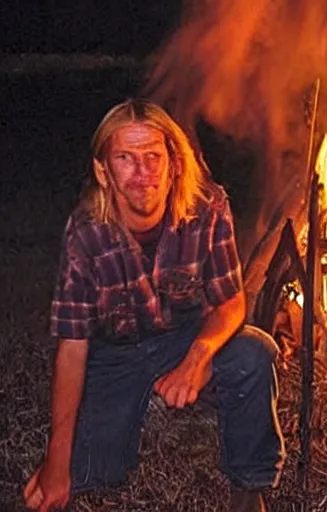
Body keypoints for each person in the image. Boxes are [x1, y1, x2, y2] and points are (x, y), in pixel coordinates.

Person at [23, 99, 285, 512]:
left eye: (153, 157)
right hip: (116, 351)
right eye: (125, 158)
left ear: (174, 164)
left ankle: (249, 489)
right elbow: (72, 347)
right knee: (87, 475)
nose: (142, 173)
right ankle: (119, 424)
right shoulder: (86, 232)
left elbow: (230, 301)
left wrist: (197, 357)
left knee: (254, 352)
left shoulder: (207, 206)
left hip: (183, 336)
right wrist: (58, 461)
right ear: (102, 171)